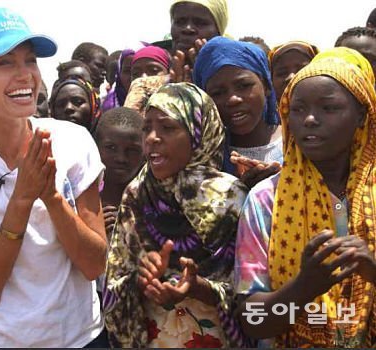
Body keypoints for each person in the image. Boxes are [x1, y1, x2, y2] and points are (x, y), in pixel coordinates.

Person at [0, 8, 108, 347]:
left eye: (30, 60)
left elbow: (94, 265)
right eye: (4, 63)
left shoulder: (73, 142)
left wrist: (52, 197)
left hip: (79, 338)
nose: (25, 75)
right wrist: (22, 199)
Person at [234, 50, 376, 347]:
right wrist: (304, 287)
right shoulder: (266, 200)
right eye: (297, 110)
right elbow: (253, 320)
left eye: (328, 107)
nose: (310, 120)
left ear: (362, 113)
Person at [104, 82, 252, 348]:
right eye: (146, 128)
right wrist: (141, 280)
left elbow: (254, 294)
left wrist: (200, 288)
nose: (151, 138)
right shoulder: (137, 195)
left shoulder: (232, 196)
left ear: (198, 133)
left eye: (168, 127)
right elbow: (113, 285)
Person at [193, 36, 282, 187]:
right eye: (217, 93)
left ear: (266, 85)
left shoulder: (297, 143)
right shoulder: (204, 158)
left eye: (244, 85)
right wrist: (239, 193)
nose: (233, 99)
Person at [94, 106, 145, 237]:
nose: (121, 158)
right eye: (111, 147)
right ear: (95, 148)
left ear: (145, 153)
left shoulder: (152, 203)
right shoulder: (82, 200)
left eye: (132, 150)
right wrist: (92, 230)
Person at [101, 42, 147, 112]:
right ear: (119, 73)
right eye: (127, 71)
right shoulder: (109, 106)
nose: (132, 77)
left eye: (137, 71)